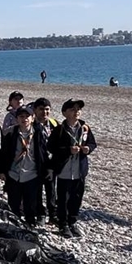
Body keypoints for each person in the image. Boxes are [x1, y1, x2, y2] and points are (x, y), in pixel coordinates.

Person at [47, 99, 97, 238]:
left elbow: (93, 143)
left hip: (79, 170)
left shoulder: (85, 128)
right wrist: (68, 150)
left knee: (77, 197)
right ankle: (63, 224)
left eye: (78, 109)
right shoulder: (59, 130)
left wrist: (88, 149)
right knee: (63, 199)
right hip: (64, 170)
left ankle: (72, 221)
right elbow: (51, 147)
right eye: (73, 109)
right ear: (65, 113)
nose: (76, 112)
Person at [0, 105, 41, 226]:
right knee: (14, 203)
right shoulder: (10, 133)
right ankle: (14, 225)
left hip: (31, 173)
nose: (24, 119)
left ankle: (30, 224)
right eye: (21, 116)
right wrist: (2, 170)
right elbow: (4, 153)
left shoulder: (38, 134)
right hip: (14, 174)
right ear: (17, 119)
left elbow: (43, 154)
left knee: (30, 203)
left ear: (32, 118)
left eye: (27, 116)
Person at [32, 98, 59, 224]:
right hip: (36, 163)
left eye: (47, 109)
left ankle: (53, 213)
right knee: (37, 189)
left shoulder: (55, 124)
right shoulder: (32, 126)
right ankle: (40, 213)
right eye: (41, 109)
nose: (44, 112)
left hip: (51, 162)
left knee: (51, 189)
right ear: (35, 110)